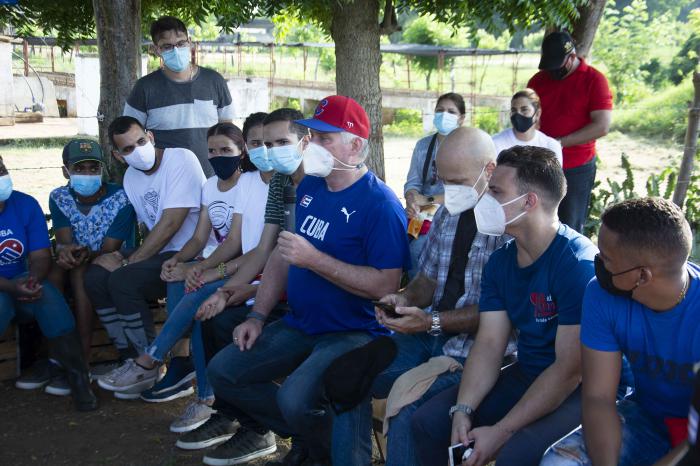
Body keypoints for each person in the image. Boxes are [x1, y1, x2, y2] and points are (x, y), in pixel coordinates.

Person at [195, 95, 410, 466]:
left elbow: (385, 286)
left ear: (355, 145)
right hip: (301, 322)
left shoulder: (380, 205)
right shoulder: (310, 186)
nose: (312, 145)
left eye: (325, 138)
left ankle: (319, 446)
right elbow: (282, 253)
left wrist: (316, 261)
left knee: (294, 398)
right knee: (225, 372)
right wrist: (258, 316)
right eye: (311, 135)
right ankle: (316, 443)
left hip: (354, 332)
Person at [331, 127, 506, 466]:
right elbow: (428, 278)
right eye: (443, 180)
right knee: (349, 377)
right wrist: (403, 298)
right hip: (430, 333)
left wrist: (430, 321)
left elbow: (498, 313)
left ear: (489, 169)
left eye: (456, 181)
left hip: (477, 351)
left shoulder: (507, 224)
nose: (446, 191)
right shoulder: (447, 213)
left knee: (408, 410)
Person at [412, 145, 597, 466]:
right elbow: (488, 343)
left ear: (529, 201)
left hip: (584, 389)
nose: (483, 198)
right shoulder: (500, 262)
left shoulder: (577, 264)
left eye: (495, 191)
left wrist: (502, 431)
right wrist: (462, 410)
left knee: (515, 453)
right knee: (430, 423)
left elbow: (570, 371)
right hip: (529, 373)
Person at [97, 122, 269, 433]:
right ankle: (187, 380)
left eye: (226, 151)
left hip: (246, 273)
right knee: (178, 280)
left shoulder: (252, 185)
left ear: (241, 150)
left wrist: (204, 270)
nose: (218, 157)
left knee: (196, 299)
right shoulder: (210, 186)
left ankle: (154, 363)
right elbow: (203, 237)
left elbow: (243, 248)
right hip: (217, 263)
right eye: (213, 151)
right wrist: (180, 261)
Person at [173, 108, 307, 453]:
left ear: (305, 142)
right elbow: (265, 248)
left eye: (281, 142)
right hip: (276, 290)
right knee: (213, 317)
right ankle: (233, 415)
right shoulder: (279, 181)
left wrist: (250, 291)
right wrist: (230, 291)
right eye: (264, 143)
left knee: (232, 340)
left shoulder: (318, 185)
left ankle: (273, 430)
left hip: (303, 302)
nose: (272, 150)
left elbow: (302, 261)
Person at [540, 198, 700, 466]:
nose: (598, 262)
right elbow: (599, 397)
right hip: (646, 418)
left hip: (693, 435)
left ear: (642, 276)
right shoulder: (601, 295)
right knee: (559, 462)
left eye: (606, 258)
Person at [85, 116, 205, 391]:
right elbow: (147, 227)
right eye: (127, 149)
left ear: (150, 136)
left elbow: (171, 222)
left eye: (140, 141)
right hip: (163, 252)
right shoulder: (131, 177)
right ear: (117, 155)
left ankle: (147, 363)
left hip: (193, 252)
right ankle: (129, 356)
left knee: (123, 279)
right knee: (95, 276)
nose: (137, 151)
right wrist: (119, 257)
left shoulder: (181, 159)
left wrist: (129, 261)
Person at [0, 155, 97, 411]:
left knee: (47, 294)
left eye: (1, 168)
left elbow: (41, 256)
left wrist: (33, 278)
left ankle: (78, 376)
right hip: (4, 290)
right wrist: (10, 287)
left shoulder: (25, 205)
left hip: (21, 282)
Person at [47, 140, 136, 362]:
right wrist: (66, 251)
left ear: (102, 169)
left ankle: (81, 358)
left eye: (93, 168)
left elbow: (109, 249)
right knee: (54, 272)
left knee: (80, 273)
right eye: (79, 168)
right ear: (66, 171)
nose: (87, 173)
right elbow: (64, 240)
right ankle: (55, 352)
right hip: (80, 259)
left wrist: (78, 255)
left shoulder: (120, 197)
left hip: (114, 262)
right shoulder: (59, 197)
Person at [123, 16, 234, 177]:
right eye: (167, 46)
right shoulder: (144, 87)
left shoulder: (214, 81)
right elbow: (130, 134)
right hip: (165, 178)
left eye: (181, 43)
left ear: (189, 42)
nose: (176, 50)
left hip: (212, 176)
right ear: (156, 50)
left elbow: (227, 130)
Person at [528, 31, 612, 233]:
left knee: (570, 223)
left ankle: (567, 262)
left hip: (576, 166)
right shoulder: (538, 81)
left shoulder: (594, 80)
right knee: (535, 218)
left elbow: (602, 126)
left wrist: (559, 143)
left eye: (556, 66)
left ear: (572, 57)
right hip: (540, 162)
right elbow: (528, 116)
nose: (551, 72)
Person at [404, 93, 466, 278]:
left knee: (437, 255)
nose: (444, 115)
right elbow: (413, 182)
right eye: (440, 110)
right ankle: (415, 295)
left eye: (451, 111)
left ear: (461, 118)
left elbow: (468, 192)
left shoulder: (467, 147)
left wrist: (427, 199)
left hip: (457, 213)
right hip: (423, 214)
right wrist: (412, 200)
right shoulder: (423, 146)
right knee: (412, 250)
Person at [491, 89, 562, 166]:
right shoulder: (495, 143)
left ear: (537, 114)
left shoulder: (551, 146)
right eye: (514, 110)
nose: (518, 115)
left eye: (524, 110)